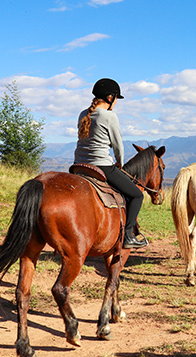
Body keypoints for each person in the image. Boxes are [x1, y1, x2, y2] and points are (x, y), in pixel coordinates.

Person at [74, 78, 148, 248]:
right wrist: (120, 164)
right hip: (101, 165)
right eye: (116, 99)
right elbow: (118, 146)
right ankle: (128, 236)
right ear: (110, 98)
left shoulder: (83, 114)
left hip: (79, 165)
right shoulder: (109, 116)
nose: (116, 102)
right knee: (137, 195)